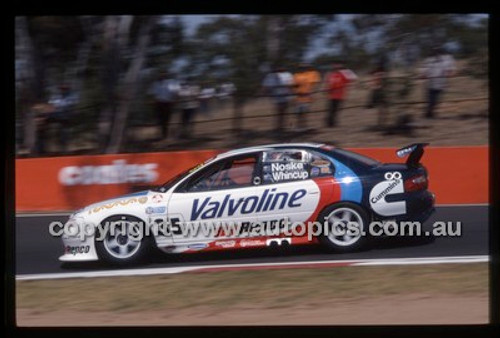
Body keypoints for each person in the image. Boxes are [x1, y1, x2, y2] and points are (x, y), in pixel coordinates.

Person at [419, 46, 456, 118]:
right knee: (431, 99)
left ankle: (430, 112)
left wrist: (449, 73)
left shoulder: (447, 59)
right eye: (434, 51)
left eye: (437, 51)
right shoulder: (429, 60)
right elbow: (424, 69)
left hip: (441, 82)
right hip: (431, 82)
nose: (436, 53)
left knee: (436, 99)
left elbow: (450, 68)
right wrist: (423, 74)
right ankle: (429, 113)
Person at [262, 65, 295, 131]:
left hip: (286, 96)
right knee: (280, 111)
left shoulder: (287, 74)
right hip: (277, 96)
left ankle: (283, 126)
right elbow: (266, 87)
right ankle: (279, 127)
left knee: (284, 111)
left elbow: (291, 85)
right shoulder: (271, 76)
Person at [149, 71, 180, 140]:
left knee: (167, 119)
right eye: (160, 74)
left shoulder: (170, 82)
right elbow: (153, 94)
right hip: (159, 103)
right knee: (159, 119)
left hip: (168, 103)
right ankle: (160, 134)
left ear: (165, 75)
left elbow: (175, 92)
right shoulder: (155, 84)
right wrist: (154, 103)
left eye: (163, 74)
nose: (162, 76)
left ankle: (165, 134)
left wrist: (174, 100)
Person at [48, 84, 78, 153]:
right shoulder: (57, 97)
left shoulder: (71, 97)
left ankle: (66, 148)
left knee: (65, 132)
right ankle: (57, 147)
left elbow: (72, 105)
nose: (63, 90)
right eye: (62, 89)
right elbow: (52, 105)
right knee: (58, 132)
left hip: (66, 116)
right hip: (58, 116)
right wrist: (52, 108)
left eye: (65, 89)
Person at [325, 61, 357, 127]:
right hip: (331, 95)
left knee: (336, 110)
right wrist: (327, 90)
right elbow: (328, 84)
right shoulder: (331, 74)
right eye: (335, 65)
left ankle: (333, 123)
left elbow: (354, 77)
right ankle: (329, 123)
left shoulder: (343, 74)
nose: (336, 67)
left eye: (338, 65)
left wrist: (345, 69)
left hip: (340, 95)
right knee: (330, 110)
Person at [293, 63, 321, 131]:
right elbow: (293, 85)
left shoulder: (310, 75)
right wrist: (295, 91)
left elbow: (315, 84)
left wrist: (313, 93)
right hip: (298, 97)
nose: (303, 69)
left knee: (304, 113)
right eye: (301, 68)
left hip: (307, 97)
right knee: (298, 113)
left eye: (304, 67)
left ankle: (304, 126)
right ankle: (298, 126)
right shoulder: (296, 75)